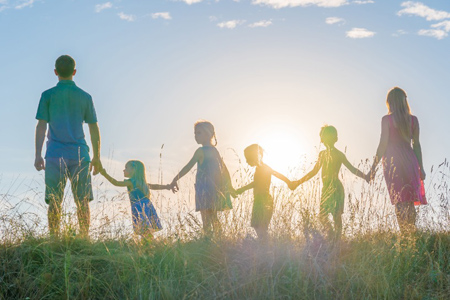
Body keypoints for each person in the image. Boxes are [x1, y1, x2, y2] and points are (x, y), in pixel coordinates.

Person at [34, 55, 102, 237]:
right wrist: (97, 157)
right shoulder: (85, 97)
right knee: (83, 201)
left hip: (55, 155)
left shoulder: (47, 95)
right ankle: (84, 238)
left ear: (55, 72)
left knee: (54, 202)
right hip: (80, 154)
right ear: (74, 72)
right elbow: (94, 128)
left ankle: (54, 238)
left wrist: (38, 154)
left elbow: (41, 126)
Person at [290, 125, 367, 240]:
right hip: (326, 189)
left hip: (336, 188)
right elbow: (314, 172)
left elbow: (352, 169)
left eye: (326, 136)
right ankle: (332, 237)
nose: (323, 139)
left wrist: (366, 176)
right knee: (323, 216)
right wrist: (298, 182)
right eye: (323, 136)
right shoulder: (322, 154)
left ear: (333, 138)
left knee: (336, 217)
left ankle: (336, 240)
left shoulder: (339, 154)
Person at [367, 87, 426, 233]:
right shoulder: (413, 120)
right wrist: (421, 168)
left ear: (390, 102)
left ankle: (404, 234)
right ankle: (411, 232)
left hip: (393, 162)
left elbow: (382, 144)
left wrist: (372, 168)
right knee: (410, 200)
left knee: (399, 200)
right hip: (410, 161)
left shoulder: (386, 119)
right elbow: (416, 145)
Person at [170, 120, 234, 236]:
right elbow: (225, 170)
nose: (195, 136)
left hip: (204, 188)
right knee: (213, 216)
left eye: (198, 133)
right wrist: (229, 187)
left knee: (206, 217)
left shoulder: (201, 151)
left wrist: (175, 179)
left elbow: (188, 166)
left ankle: (207, 239)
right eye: (195, 133)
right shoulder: (215, 151)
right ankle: (219, 238)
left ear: (208, 134)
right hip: (214, 188)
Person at [234, 144, 292, 240]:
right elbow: (277, 174)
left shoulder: (264, 168)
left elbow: (257, 183)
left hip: (263, 200)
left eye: (248, 158)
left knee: (261, 226)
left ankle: (265, 244)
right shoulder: (259, 168)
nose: (247, 161)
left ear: (256, 156)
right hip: (259, 199)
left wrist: (241, 189)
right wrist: (288, 182)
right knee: (257, 226)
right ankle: (264, 244)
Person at [100, 160, 171, 238]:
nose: (124, 170)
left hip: (139, 208)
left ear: (134, 169)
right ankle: (150, 245)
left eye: (126, 168)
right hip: (148, 206)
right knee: (148, 230)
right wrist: (167, 186)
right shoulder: (143, 183)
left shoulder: (131, 182)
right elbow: (156, 186)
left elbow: (116, 183)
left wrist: (104, 174)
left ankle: (148, 246)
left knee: (144, 231)